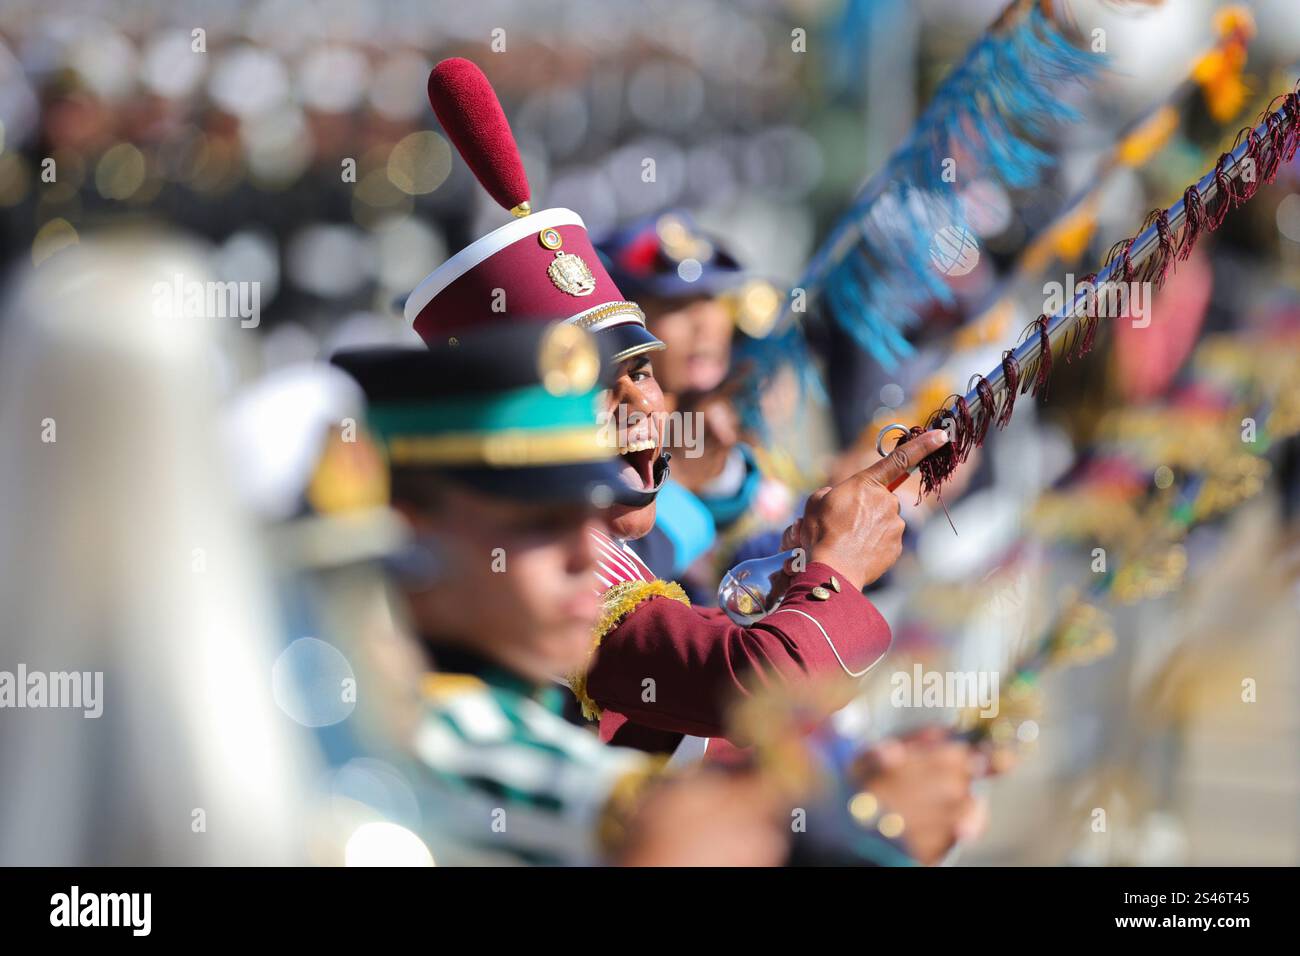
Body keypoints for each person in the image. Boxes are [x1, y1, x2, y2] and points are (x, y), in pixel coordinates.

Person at [332, 321, 786, 866]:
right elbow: (662, 824)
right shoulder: (428, 734)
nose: (588, 555)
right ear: (408, 539)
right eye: (540, 524)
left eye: (590, 517)